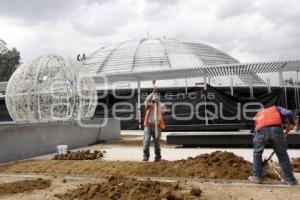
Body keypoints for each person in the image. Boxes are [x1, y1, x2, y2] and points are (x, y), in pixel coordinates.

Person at [249, 105, 298, 185]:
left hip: (260, 131)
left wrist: (256, 142)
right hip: (276, 130)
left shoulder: (259, 113)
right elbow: (289, 112)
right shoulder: (276, 108)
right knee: (282, 154)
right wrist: (293, 122)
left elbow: (255, 130)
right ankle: (290, 179)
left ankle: (256, 176)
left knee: (257, 153)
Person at [142, 89, 166, 162]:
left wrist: (157, 103)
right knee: (146, 141)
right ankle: (146, 156)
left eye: (156, 96)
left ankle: (158, 157)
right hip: (148, 125)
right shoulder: (149, 104)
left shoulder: (161, 105)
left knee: (157, 142)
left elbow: (163, 111)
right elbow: (146, 101)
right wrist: (152, 94)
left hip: (157, 126)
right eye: (154, 96)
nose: (155, 98)